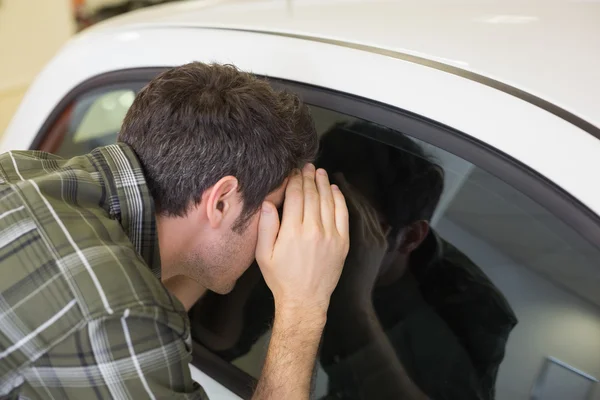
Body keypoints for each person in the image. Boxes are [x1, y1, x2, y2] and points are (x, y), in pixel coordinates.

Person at [0, 62, 350, 399]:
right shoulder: (116, 317)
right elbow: (118, 309)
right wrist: (301, 308)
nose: (281, 231)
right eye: (275, 209)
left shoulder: (22, 169)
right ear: (221, 202)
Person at [192, 121, 518, 399]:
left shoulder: (472, 306)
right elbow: (213, 344)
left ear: (410, 237)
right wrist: (268, 234)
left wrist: (354, 301)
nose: (329, 231)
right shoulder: (307, 234)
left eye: (348, 215)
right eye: (318, 205)